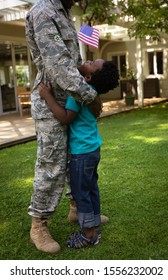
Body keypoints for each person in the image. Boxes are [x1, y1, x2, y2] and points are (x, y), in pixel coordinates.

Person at [25, 0, 107, 254]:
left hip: (71, 101)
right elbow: (58, 64)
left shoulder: (64, 13)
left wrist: (84, 94)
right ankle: (38, 225)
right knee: (50, 164)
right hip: (52, 102)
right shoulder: (43, 12)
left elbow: (75, 61)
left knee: (76, 159)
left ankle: (77, 210)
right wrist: (89, 95)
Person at [38, 59, 119, 248]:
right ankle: (94, 222)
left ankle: (89, 234)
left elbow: (66, 118)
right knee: (90, 188)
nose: (88, 60)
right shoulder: (92, 93)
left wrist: (47, 96)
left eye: (92, 63)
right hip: (92, 150)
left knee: (81, 192)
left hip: (82, 153)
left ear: (88, 77)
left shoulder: (78, 94)